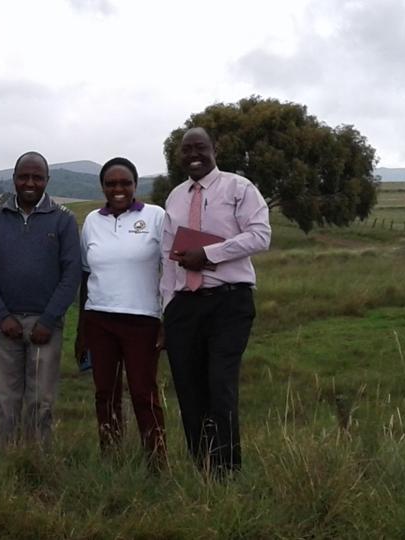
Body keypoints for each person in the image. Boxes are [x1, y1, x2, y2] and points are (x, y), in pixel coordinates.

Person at [160, 127, 271, 476]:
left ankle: (227, 470)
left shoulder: (239, 188)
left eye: (200, 147)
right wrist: (167, 309)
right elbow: (167, 256)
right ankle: (202, 468)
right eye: (186, 149)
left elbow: (260, 235)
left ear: (214, 149)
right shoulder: (175, 197)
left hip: (228, 302)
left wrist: (208, 254)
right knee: (189, 389)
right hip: (184, 304)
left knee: (220, 386)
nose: (194, 155)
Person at [0, 151, 82, 449]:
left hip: (45, 326)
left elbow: (71, 272)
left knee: (41, 400)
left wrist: (49, 320)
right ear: (14, 180)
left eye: (37, 177)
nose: (30, 183)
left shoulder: (63, 219)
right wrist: (2, 315)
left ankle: (38, 459)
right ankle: (7, 459)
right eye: (24, 176)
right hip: (5, 323)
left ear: (47, 180)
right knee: (6, 399)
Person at [74, 157, 166, 466]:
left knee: (143, 393)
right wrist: (81, 330)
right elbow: (86, 276)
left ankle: (156, 461)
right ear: (102, 187)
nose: (118, 189)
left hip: (143, 321)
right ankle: (111, 459)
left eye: (125, 182)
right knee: (105, 394)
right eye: (111, 183)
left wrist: (167, 320)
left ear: (135, 185)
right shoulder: (91, 222)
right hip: (99, 319)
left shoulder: (156, 217)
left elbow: (171, 270)